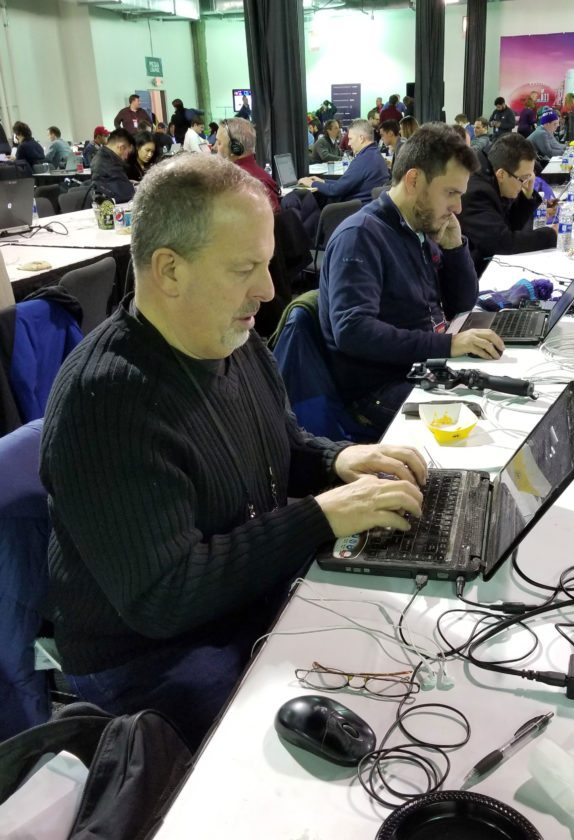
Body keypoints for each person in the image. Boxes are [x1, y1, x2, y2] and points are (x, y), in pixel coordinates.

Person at [39, 152, 426, 751]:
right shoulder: (109, 400)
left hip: (236, 601)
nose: (268, 290)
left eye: (266, 264)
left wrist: (335, 461)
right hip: (150, 657)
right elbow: (164, 595)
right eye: (245, 268)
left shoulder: (229, 337)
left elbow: (279, 444)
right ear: (170, 270)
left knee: (400, 648)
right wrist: (318, 516)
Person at [319, 123, 504, 438]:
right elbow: (353, 331)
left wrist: (455, 248)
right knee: (490, 422)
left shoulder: (418, 226)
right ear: (414, 180)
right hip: (379, 390)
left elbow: (460, 304)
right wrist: (448, 345)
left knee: (504, 396)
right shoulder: (360, 236)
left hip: (421, 367)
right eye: (451, 193)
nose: (458, 208)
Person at [459, 132, 557, 276]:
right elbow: (502, 243)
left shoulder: (494, 173)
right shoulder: (476, 191)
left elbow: (510, 226)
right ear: (501, 174)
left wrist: (527, 195)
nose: (527, 183)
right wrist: (551, 235)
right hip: (475, 273)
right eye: (524, 178)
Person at [297, 118, 389, 205]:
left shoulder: (363, 160)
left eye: (351, 139)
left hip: (353, 210)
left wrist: (311, 183)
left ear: (361, 138)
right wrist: (323, 181)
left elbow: (335, 190)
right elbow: (344, 184)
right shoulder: (374, 155)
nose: (349, 143)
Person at [215, 117, 280, 212]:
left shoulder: (240, 183)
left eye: (219, 143)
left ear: (235, 148)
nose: (214, 147)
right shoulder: (260, 176)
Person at [90, 128, 135, 203]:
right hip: (112, 206)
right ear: (121, 147)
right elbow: (127, 194)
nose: (127, 157)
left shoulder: (101, 156)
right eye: (128, 153)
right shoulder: (111, 163)